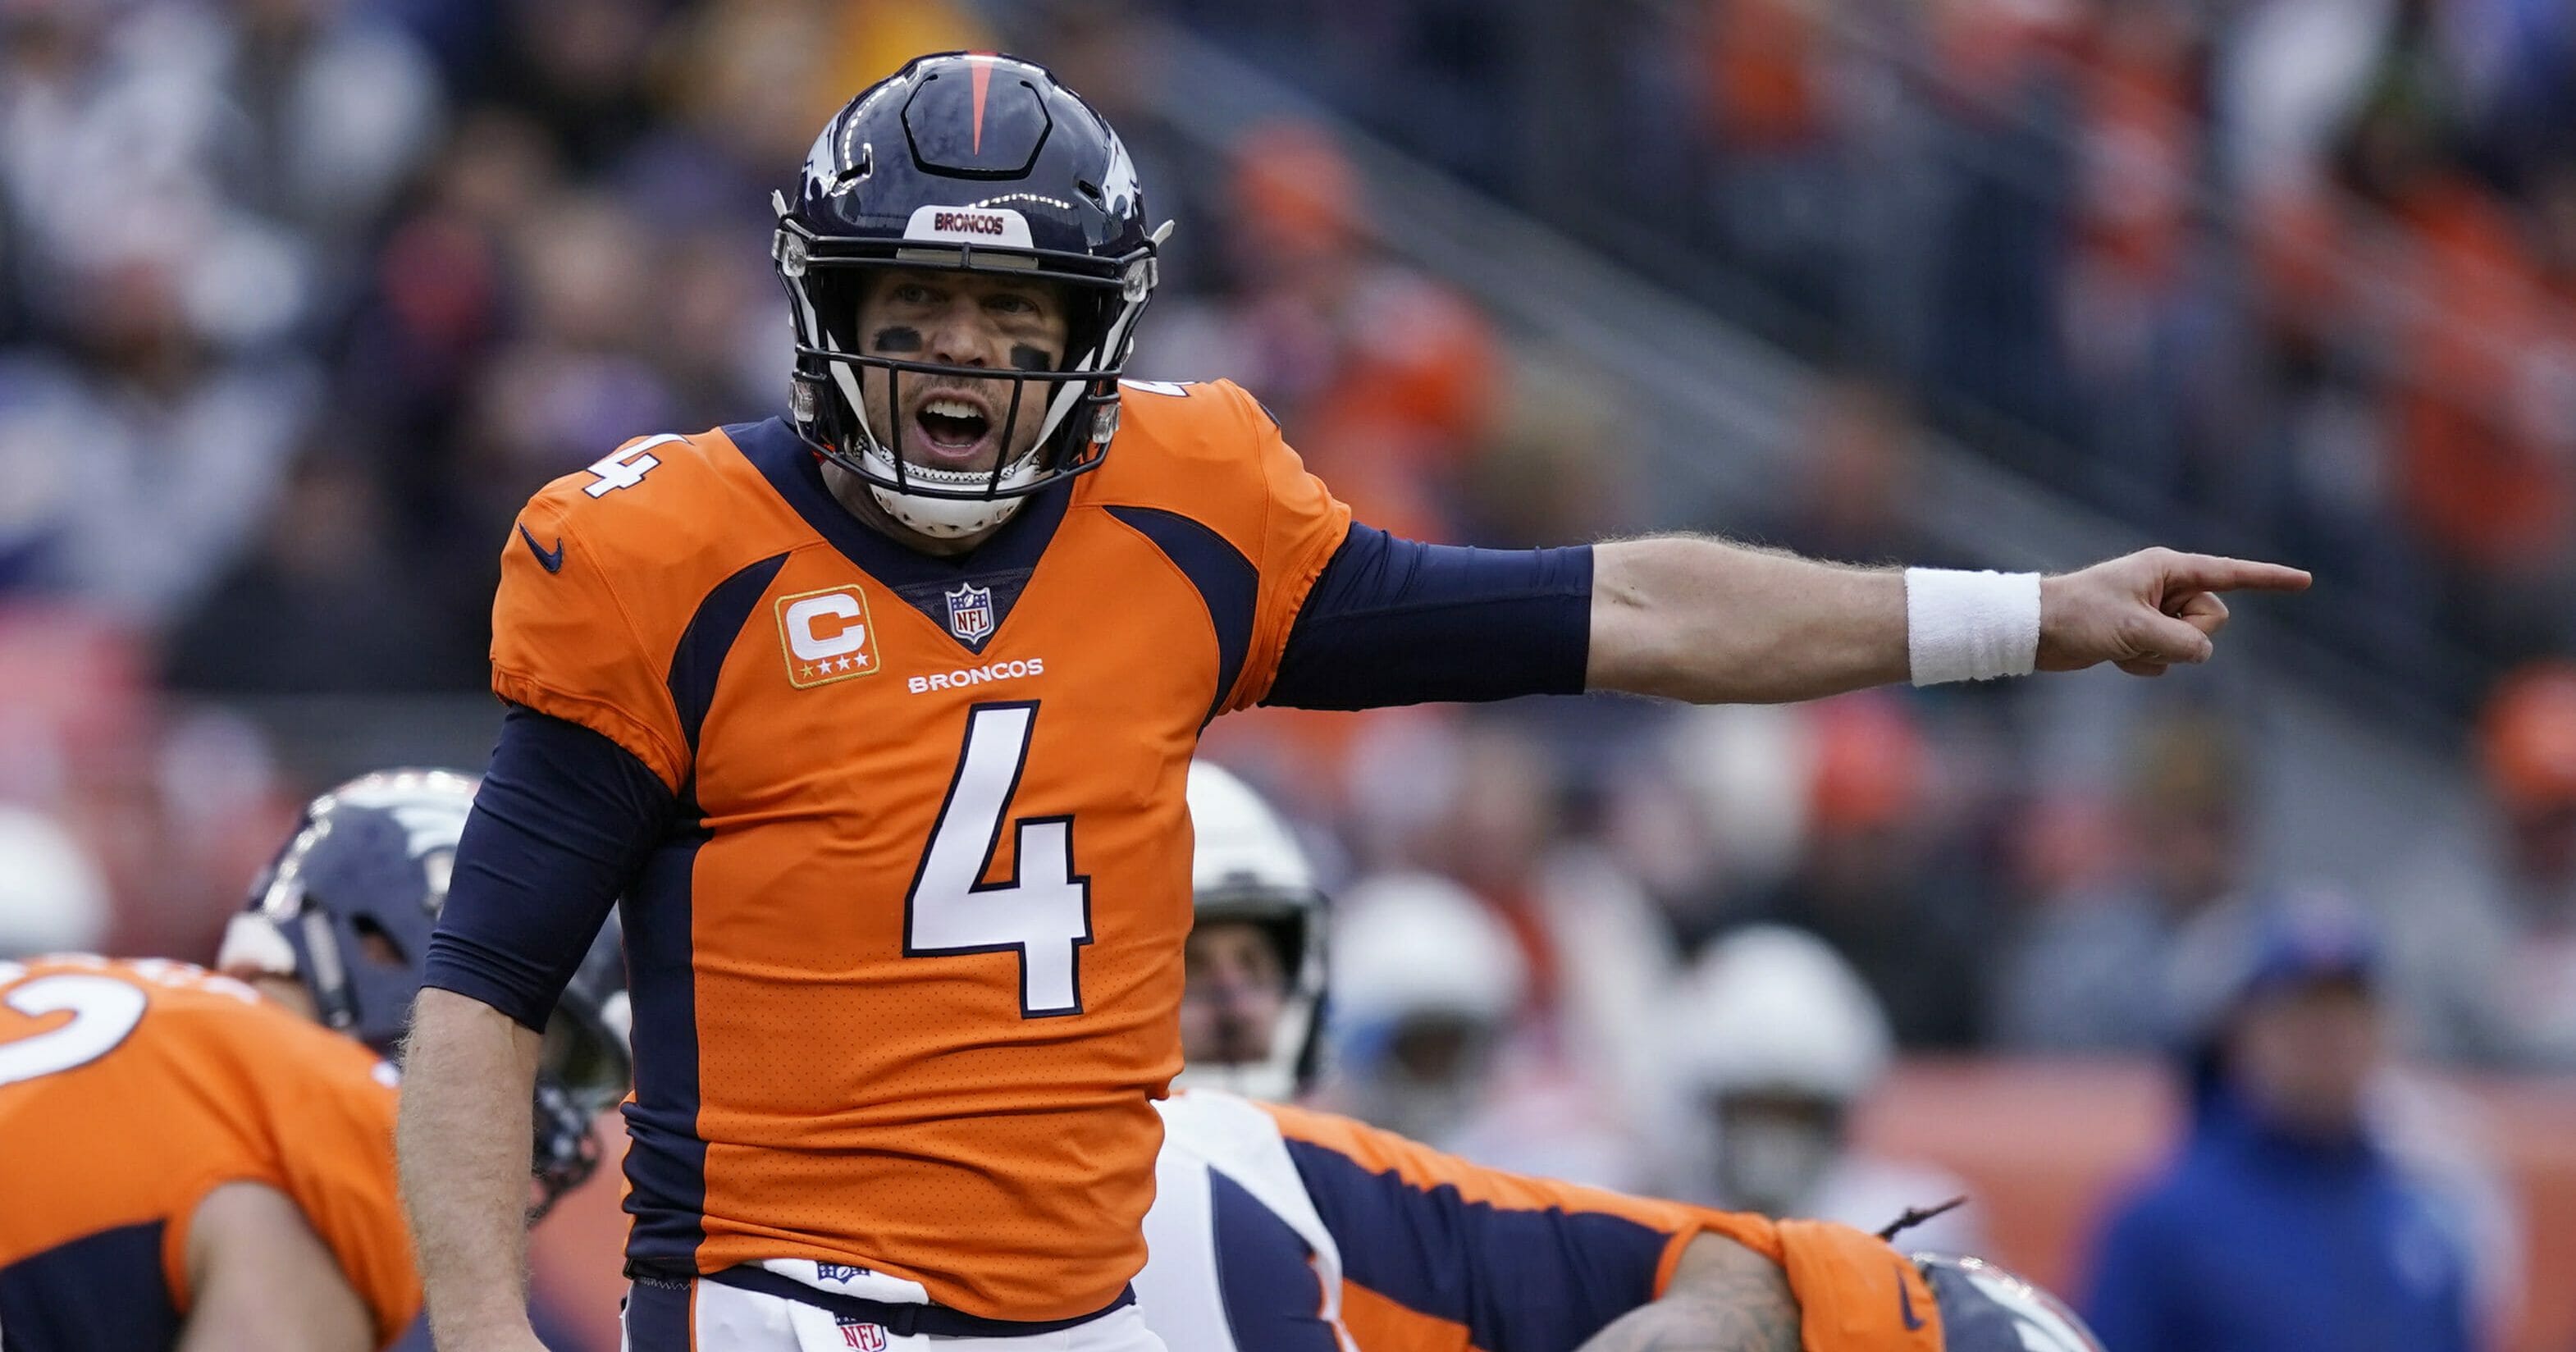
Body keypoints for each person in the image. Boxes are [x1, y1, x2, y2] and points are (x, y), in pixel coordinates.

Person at [395, 49, 2308, 1352]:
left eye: (1014, 317)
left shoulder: (1188, 506)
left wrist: (2017, 613)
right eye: (914, 304)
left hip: (1102, 1296)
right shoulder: (658, 550)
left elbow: (1628, 604)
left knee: (1815, 1301)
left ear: (1096, 335)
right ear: (827, 308)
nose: (960, 355)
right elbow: (484, 992)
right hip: (790, 1306)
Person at [1140, 760, 2100, 1352]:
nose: (1230, 1003)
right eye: (1192, 959)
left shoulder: (1399, 1191)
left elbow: (1732, 1275)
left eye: (1252, 959)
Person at [0, 769, 629, 1350]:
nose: (533, 1110)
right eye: (524, 1044)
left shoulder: (75, 992)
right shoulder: (323, 1118)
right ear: (380, 948)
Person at [2080, 896, 2483, 1352]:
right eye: (2301, 1014)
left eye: (2348, 1014)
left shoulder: (2427, 1219)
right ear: (2241, 1034)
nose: (2329, 1038)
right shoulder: (2161, 1221)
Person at [1665, 925, 1982, 1255]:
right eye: (1752, 1110)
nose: (1774, 1142)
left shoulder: (1908, 1225)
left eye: (1797, 1115)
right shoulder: (1650, 1210)